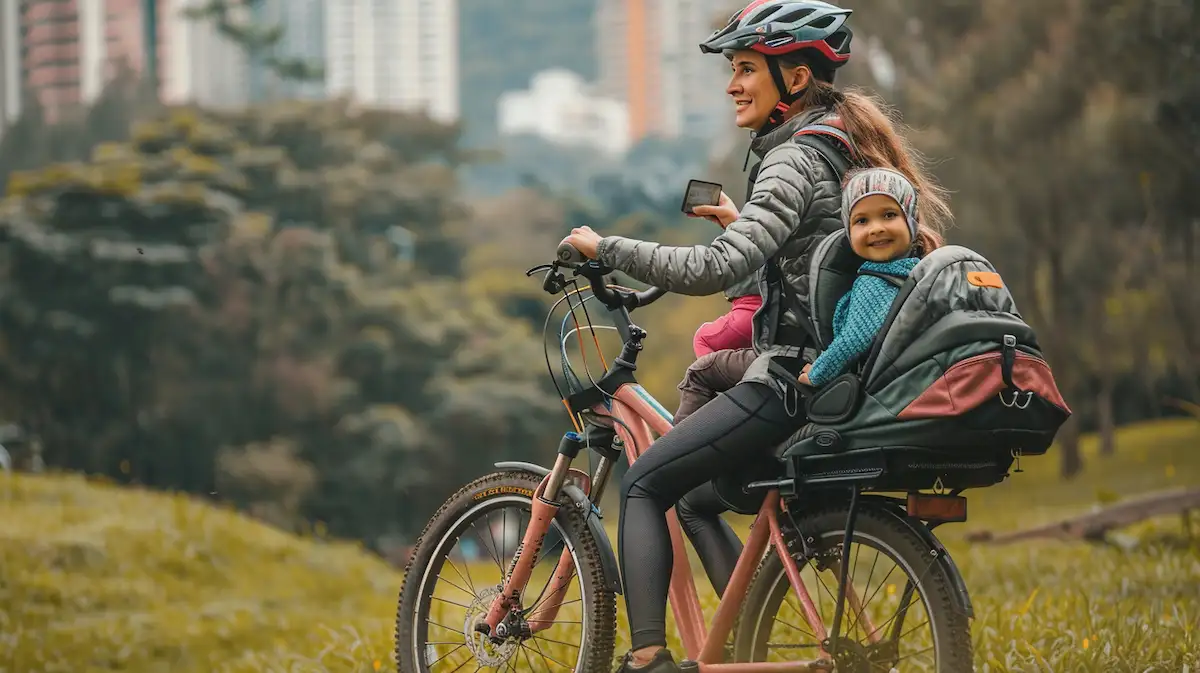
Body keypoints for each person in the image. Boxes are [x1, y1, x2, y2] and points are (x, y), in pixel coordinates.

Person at [562, 2, 953, 671]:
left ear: (794, 80)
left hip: (793, 378)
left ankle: (648, 657)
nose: (732, 84)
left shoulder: (792, 160)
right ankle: (741, 643)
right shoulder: (838, 145)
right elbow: (818, 259)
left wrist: (607, 247)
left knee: (646, 485)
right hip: (836, 374)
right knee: (694, 496)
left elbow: (717, 268)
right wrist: (748, 223)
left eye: (746, 69)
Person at [797, 166, 944, 387]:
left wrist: (817, 373)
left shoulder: (875, 281)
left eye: (889, 215)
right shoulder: (925, 271)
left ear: (911, 222)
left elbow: (854, 340)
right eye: (862, 221)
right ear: (848, 231)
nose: (876, 228)